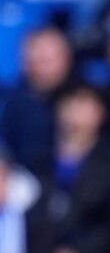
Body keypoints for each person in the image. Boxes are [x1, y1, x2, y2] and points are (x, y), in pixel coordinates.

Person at [26, 84, 110, 253]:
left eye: (84, 105)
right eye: (69, 104)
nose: (75, 112)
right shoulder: (38, 165)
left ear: (100, 113)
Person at [0, 25, 74, 175]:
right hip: (20, 178)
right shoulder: (10, 100)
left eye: (47, 60)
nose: (40, 68)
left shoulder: (84, 99)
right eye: (34, 60)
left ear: (66, 59)